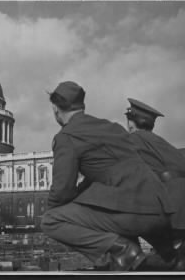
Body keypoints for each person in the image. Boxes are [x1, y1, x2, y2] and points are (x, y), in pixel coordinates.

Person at [41, 81, 176, 271]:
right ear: (82, 106)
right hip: (162, 209)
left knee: (51, 221)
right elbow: (107, 174)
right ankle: (123, 256)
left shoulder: (67, 137)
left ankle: (123, 252)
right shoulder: (112, 127)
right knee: (106, 206)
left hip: (134, 213)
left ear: (55, 108)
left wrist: (53, 212)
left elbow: (62, 191)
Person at [125, 98, 185, 268]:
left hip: (172, 205)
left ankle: (156, 257)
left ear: (130, 122)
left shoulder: (133, 139)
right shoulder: (163, 143)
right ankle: (176, 250)